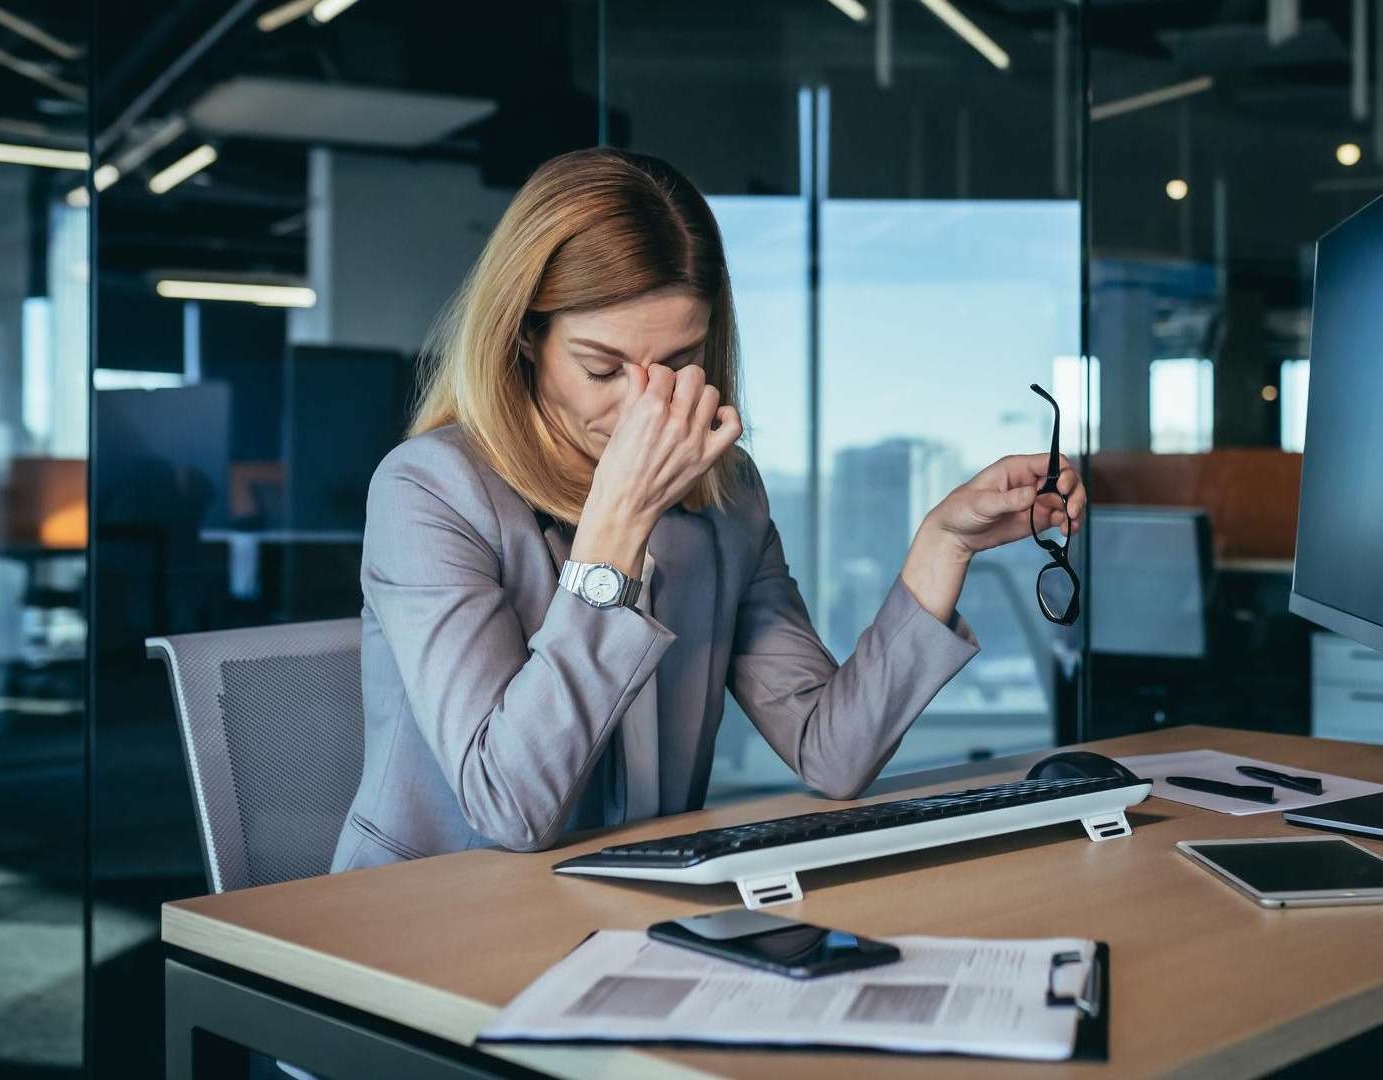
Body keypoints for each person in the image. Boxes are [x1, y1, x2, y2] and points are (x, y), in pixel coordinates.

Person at [332, 148, 1085, 869]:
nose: (644, 407)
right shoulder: (428, 491)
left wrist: (940, 546)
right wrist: (617, 531)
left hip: (632, 898)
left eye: (679, 364)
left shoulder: (726, 495)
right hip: (439, 911)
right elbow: (508, 806)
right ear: (526, 336)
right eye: (603, 368)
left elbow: (832, 753)